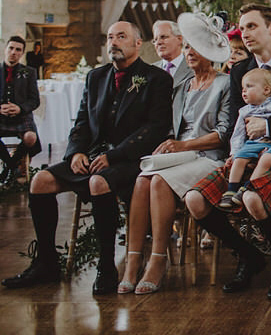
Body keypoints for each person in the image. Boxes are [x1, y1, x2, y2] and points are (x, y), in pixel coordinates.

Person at [2, 22, 172, 294]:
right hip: (92, 155)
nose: (113, 42)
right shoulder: (96, 77)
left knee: (97, 183)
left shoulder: (157, 79)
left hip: (131, 159)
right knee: (41, 181)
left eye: (121, 36)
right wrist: (75, 152)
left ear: (138, 43)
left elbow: (154, 129)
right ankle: (46, 263)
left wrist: (113, 155)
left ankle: (106, 266)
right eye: (110, 37)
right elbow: (81, 121)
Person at [184, 3, 271, 301]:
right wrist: (238, 153)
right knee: (195, 199)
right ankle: (248, 255)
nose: (245, 33)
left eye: (252, 26)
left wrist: (270, 130)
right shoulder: (240, 71)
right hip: (247, 154)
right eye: (242, 27)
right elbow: (238, 121)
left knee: (252, 197)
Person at [119, 12, 232, 294]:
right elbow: (171, 127)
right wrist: (168, 144)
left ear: (210, 52)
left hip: (209, 157)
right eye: (188, 47)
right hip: (179, 154)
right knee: (142, 178)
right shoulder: (181, 85)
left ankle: (158, 259)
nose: (190, 52)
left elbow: (223, 134)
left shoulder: (224, 83)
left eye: (196, 47)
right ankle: (133, 261)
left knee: (158, 180)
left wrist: (183, 145)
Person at [218, 69, 271, 209]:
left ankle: (249, 187)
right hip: (253, 143)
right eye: (243, 88)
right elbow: (238, 134)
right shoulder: (245, 111)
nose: (244, 91)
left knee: (266, 160)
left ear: (266, 89)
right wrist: (234, 153)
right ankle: (231, 190)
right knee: (239, 159)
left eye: (249, 86)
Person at [0, 36, 41, 185]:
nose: (13, 52)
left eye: (18, 50)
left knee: (31, 137)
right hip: (1, 116)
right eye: (11, 48)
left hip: (21, 116)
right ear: (5, 49)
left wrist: (20, 108)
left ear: (22, 53)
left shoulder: (29, 72)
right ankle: (12, 167)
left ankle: (9, 168)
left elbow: (35, 100)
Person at [152, 20, 192, 90]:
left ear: (179, 39)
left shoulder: (193, 66)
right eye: (155, 40)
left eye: (163, 37)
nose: (158, 42)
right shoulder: (150, 70)